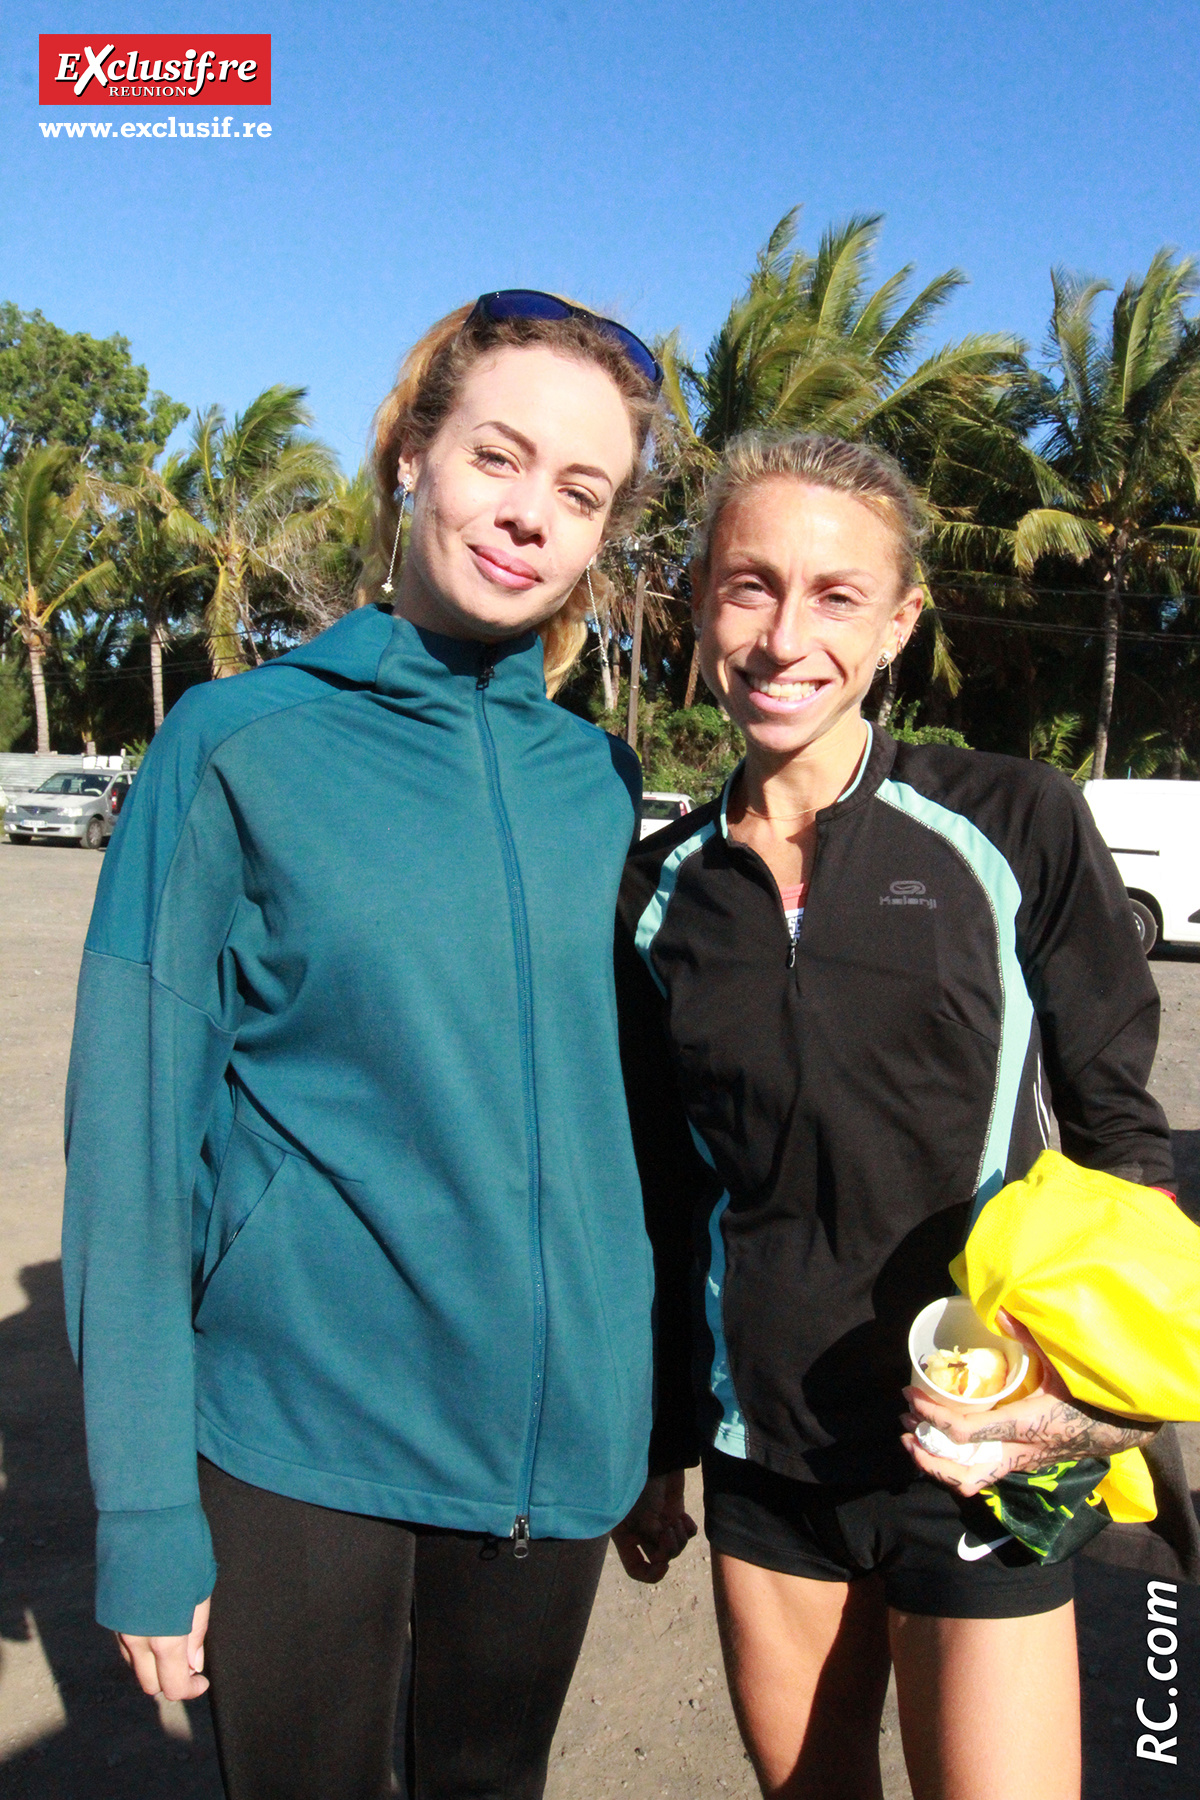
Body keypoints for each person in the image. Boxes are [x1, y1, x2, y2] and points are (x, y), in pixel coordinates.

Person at [62, 291, 694, 1800]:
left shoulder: (599, 779)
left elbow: (639, 1124)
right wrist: (145, 1506)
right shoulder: (237, 744)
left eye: (581, 491)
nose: (529, 515)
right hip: (301, 1439)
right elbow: (133, 1151)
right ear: (413, 456)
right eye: (498, 456)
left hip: (556, 1457)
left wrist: (656, 1417)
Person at [616, 432, 1171, 1800]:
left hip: (984, 1434)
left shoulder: (1010, 821)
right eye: (748, 586)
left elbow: (1122, 1146)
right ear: (698, 603)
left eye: (836, 594)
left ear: (901, 620)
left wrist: (1089, 1409)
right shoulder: (652, 893)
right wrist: (656, 1449)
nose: (783, 635)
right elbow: (660, 1194)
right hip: (771, 1456)